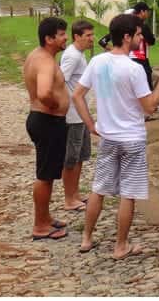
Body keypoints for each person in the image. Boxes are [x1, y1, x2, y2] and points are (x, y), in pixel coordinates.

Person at [74, 14, 159, 259]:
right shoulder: (134, 69)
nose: (142, 39)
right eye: (139, 35)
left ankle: (86, 238)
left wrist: (91, 124)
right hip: (131, 137)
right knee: (128, 194)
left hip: (108, 136)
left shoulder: (98, 62)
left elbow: (77, 95)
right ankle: (121, 245)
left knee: (98, 189)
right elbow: (150, 107)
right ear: (127, 36)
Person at [23, 17, 70, 240]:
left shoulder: (37, 55)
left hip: (42, 120)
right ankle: (40, 226)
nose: (65, 38)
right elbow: (43, 93)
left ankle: (45, 217)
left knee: (48, 174)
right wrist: (55, 105)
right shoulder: (45, 62)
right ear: (49, 38)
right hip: (47, 121)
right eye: (61, 35)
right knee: (44, 175)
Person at [59, 20, 95, 212]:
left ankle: (75, 194)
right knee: (71, 158)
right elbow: (60, 81)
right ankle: (68, 198)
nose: (92, 39)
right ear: (77, 37)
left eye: (92, 35)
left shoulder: (79, 55)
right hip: (72, 115)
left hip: (81, 114)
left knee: (81, 155)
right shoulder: (72, 56)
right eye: (88, 35)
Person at [128, 1, 156, 92]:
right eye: (147, 11)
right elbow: (151, 41)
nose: (148, 14)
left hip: (128, 58)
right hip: (141, 59)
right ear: (142, 12)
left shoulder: (127, 24)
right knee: (147, 87)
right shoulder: (142, 26)